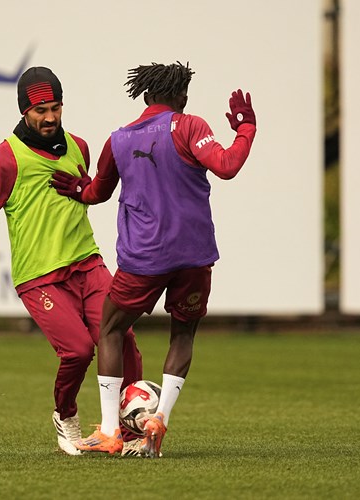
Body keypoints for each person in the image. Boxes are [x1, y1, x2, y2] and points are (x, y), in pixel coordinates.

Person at [50, 61, 257, 458]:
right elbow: (227, 166)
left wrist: (76, 188)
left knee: (110, 329)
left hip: (143, 257)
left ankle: (110, 430)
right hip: (194, 255)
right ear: (182, 98)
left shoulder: (119, 139)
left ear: (145, 96)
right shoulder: (189, 126)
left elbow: (97, 193)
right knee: (183, 334)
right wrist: (246, 128)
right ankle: (159, 419)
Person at [0, 66, 144, 457]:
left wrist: (88, 189)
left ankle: (130, 431)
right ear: (24, 111)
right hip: (40, 276)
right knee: (78, 351)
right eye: (40, 110)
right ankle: (65, 414)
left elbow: (91, 192)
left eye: (55, 107)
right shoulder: (5, 157)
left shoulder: (79, 147)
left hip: (88, 264)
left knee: (124, 340)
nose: (49, 117)